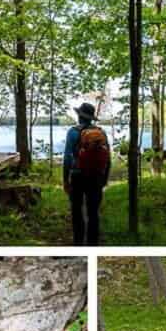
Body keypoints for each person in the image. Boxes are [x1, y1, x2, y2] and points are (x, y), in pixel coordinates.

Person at [63, 102, 111, 245]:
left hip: (77, 176)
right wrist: (105, 177)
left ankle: (78, 243)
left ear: (79, 116)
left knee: (77, 211)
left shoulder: (73, 132)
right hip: (96, 176)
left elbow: (67, 158)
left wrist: (65, 179)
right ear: (91, 118)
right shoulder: (101, 133)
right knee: (93, 213)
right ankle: (92, 245)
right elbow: (108, 157)